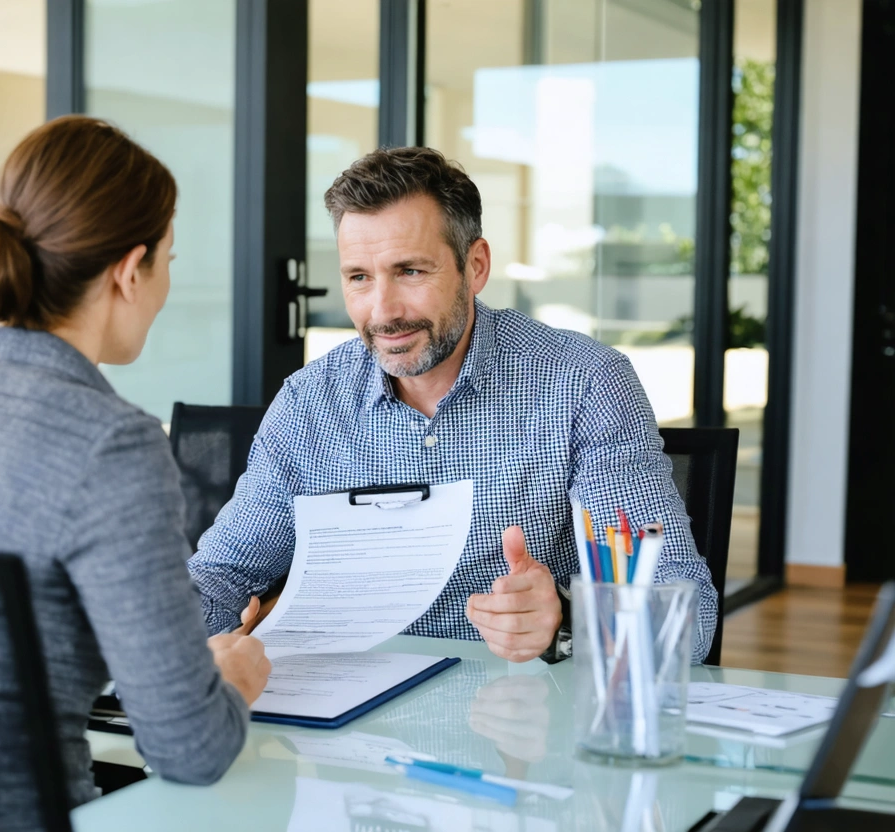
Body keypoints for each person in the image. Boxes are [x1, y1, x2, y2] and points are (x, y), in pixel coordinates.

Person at [0, 116, 270, 824]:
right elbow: (190, 749)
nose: (166, 285)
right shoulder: (114, 442)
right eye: (168, 259)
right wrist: (230, 681)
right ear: (128, 271)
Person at [188, 146, 717, 665]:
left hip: (517, 726)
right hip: (345, 724)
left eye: (411, 271)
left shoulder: (584, 385)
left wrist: (566, 619)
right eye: (359, 278)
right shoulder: (309, 404)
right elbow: (221, 574)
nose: (383, 311)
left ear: (476, 266)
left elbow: (686, 621)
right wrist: (170, 623)